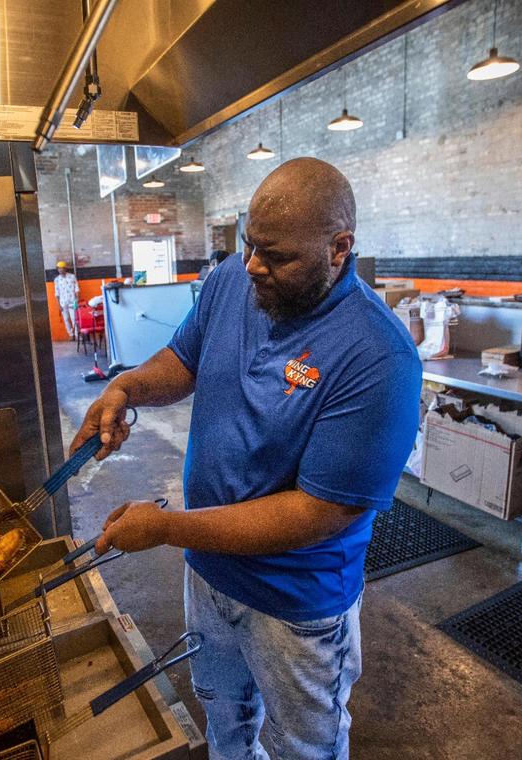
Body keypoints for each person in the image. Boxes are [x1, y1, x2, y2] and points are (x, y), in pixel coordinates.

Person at [69, 157, 421, 759]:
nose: (253, 264)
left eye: (276, 255)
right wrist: (123, 389)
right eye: (248, 244)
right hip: (210, 578)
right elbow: (184, 359)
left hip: (295, 610)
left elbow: (315, 514)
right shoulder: (237, 279)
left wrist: (168, 528)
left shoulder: (377, 358)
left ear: (339, 249)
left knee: (301, 747)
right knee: (223, 717)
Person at [53, 260, 79, 340]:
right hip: (63, 303)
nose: (60, 270)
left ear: (65, 268)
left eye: (62, 268)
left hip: (72, 302)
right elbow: (57, 293)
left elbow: (77, 289)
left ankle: (77, 335)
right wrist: (59, 305)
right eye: (58, 268)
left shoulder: (72, 276)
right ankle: (71, 334)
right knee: (66, 319)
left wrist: (77, 300)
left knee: (74, 319)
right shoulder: (56, 279)